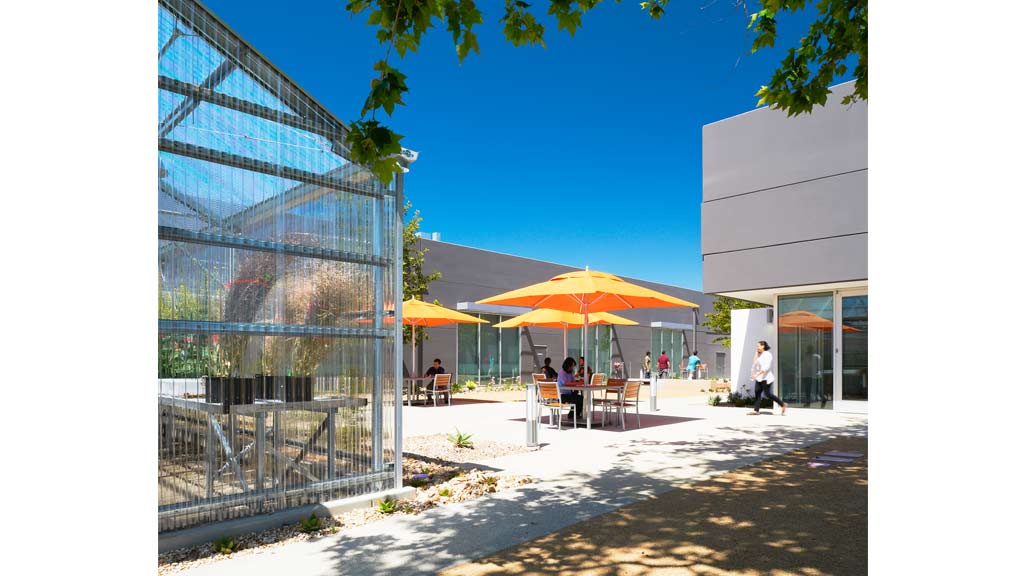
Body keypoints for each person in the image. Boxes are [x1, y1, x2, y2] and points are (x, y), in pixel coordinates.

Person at [749, 341, 787, 416]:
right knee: (757, 393)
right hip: (759, 378)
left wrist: (756, 374)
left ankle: (783, 404)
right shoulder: (760, 354)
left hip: (766, 378)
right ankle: (756, 411)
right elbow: (754, 364)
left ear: (763, 346)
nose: (757, 348)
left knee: (768, 394)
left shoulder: (767, 355)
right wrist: (756, 355)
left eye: (758, 346)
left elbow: (766, 367)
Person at [557, 357, 584, 422]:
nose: (572, 368)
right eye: (572, 366)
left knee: (580, 397)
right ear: (568, 365)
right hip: (562, 395)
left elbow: (573, 382)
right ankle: (573, 415)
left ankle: (574, 414)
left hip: (568, 394)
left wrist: (578, 383)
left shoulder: (570, 373)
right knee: (579, 399)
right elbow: (566, 383)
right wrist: (577, 383)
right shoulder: (562, 373)